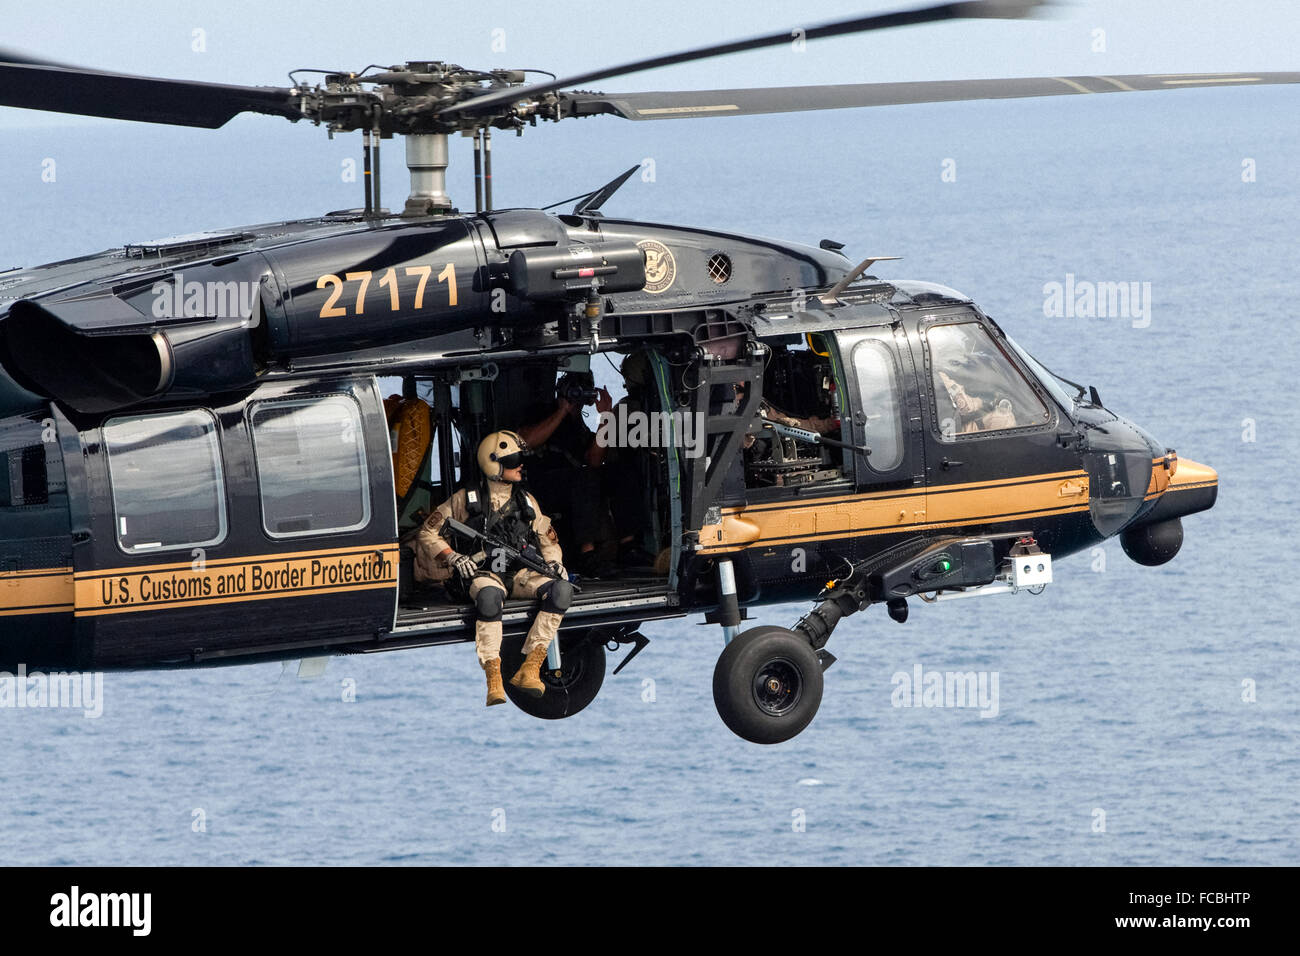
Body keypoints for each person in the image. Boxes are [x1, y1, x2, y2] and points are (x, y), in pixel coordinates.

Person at [414, 430, 572, 707]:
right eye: (513, 461)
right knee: (488, 599)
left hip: (520, 575)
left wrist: (555, 564)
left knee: (561, 591)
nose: (520, 466)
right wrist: (453, 557)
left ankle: (531, 667)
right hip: (484, 574)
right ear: (494, 463)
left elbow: (547, 539)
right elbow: (428, 534)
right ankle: (494, 677)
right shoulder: (466, 500)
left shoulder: (527, 502)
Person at [517, 371, 615, 576]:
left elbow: (594, 460)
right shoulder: (541, 412)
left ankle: (627, 546)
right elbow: (526, 441)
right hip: (539, 485)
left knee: (612, 474)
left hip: (573, 488)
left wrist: (606, 417)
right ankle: (587, 553)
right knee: (584, 478)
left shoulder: (579, 428)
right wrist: (562, 410)